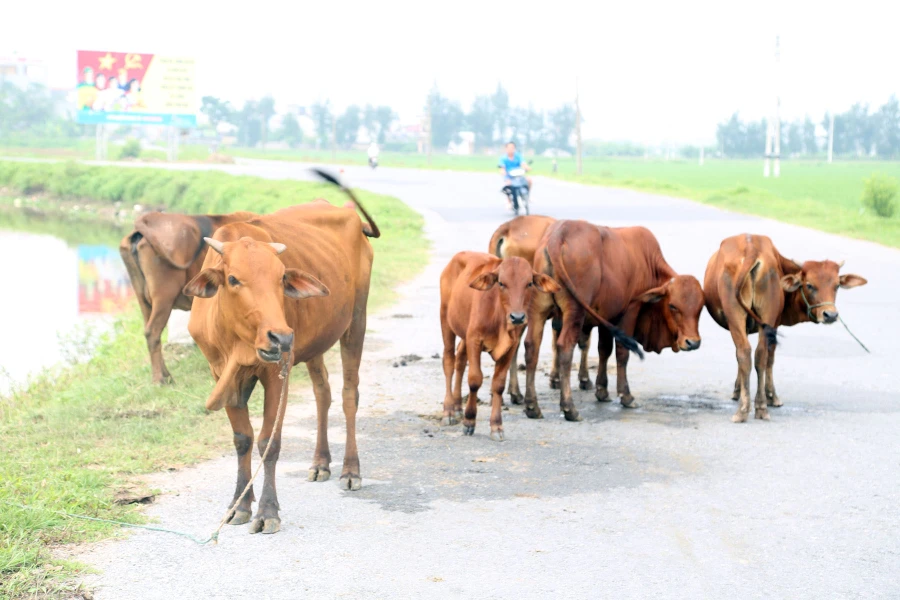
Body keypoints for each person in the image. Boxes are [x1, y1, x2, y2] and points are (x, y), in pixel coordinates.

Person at [497, 141, 532, 208]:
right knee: (508, 185)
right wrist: (502, 171)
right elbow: (502, 167)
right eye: (509, 148)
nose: (511, 149)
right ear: (506, 149)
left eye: (512, 147)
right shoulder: (503, 158)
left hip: (519, 175)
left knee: (529, 180)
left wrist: (527, 168)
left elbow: (523, 163)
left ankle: (528, 195)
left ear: (514, 148)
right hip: (509, 176)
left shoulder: (518, 156)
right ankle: (509, 201)